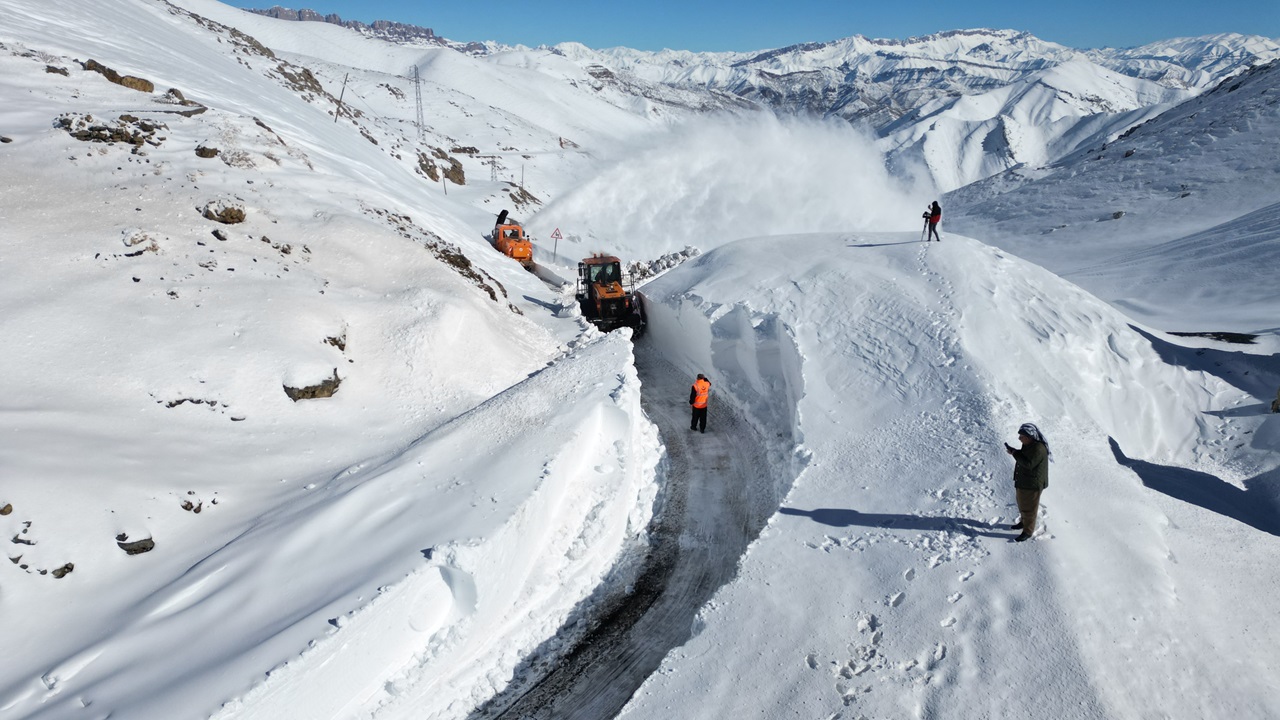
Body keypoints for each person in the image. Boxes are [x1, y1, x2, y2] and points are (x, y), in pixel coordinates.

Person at [1004, 422, 1049, 542]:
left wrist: (1014, 453)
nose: (1019, 438)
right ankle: (1024, 523)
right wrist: (1014, 451)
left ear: (1029, 437)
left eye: (1021, 436)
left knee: (1029, 509)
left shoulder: (1038, 448)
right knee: (1022, 504)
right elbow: (1025, 456)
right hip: (1024, 481)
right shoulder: (1029, 445)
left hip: (1032, 484)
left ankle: (1028, 531)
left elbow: (1029, 464)